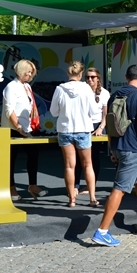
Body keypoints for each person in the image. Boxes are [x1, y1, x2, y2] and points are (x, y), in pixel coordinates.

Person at [91, 64, 137, 247]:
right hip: (131, 148)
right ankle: (102, 231)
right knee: (120, 188)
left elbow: (109, 123)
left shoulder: (115, 95)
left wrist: (112, 149)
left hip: (117, 146)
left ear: (126, 76)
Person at [50, 61, 100, 208]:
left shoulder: (60, 89)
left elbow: (53, 112)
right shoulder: (87, 89)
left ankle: (71, 199)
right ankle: (92, 198)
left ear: (68, 73)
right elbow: (94, 112)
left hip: (65, 129)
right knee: (88, 165)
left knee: (69, 166)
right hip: (83, 129)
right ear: (80, 74)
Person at [1, 59, 48, 201]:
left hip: (27, 128)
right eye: (28, 71)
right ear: (21, 71)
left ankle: (33, 185)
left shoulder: (27, 86)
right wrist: (18, 127)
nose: (30, 74)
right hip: (13, 128)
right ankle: (11, 188)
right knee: (11, 159)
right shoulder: (11, 87)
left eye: (32, 72)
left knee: (33, 155)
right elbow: (9, 110)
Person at [75, 68, 110, 194]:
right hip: (82, 126)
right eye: (87, 77)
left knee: (94, 157)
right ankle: (75, 185)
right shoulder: (81, 91)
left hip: (97, 126)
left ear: (98, 78)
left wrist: (100, 128)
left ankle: (91, 185)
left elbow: (106, 114)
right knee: (79, 157)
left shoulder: (104, 93)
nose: (90, 79)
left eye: (93, 77)